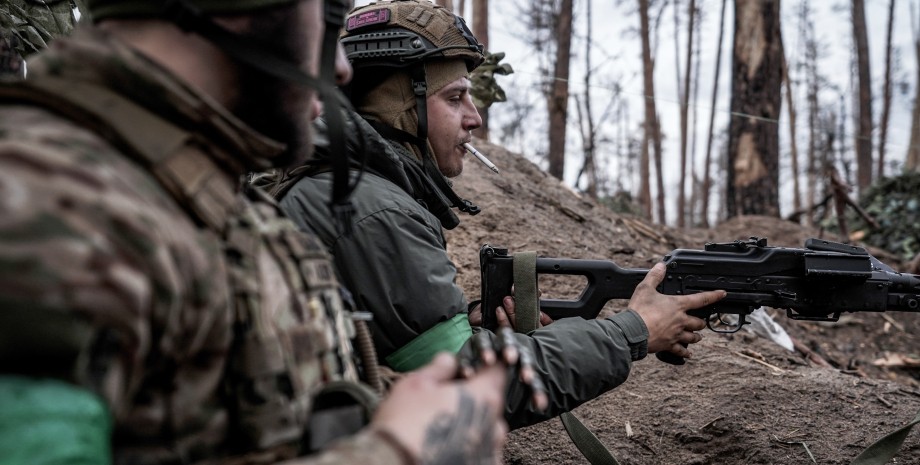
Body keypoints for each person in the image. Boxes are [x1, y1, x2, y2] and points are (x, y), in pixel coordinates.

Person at [0, 0, 512, 464]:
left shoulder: (197, 197)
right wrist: (397, 452)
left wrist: (417, 405)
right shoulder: (47, 207)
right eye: (325, 20)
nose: (338, 69)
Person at [278, 0, 726, 430]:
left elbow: (386, 351)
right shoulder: (371, 208)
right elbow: (465, 391)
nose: (474, 118)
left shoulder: (340, 190)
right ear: (398, 105)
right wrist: (634, 331)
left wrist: (468, 326)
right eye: (455, 98)